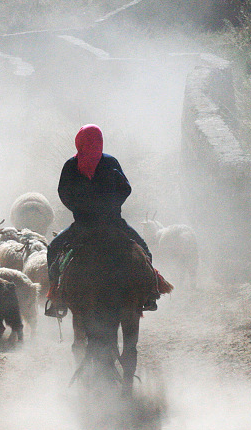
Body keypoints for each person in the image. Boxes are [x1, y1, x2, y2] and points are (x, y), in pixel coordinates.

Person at [44, 124, 171, 317]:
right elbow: (126, 188)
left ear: (79, 142)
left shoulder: (71, 165)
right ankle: (150, 294)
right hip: (113, 223)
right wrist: (110, 206)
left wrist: (80, 209)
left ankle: (57, 297)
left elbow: (63, 193)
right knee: (144, 250)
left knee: (53, 249)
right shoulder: (110, 162)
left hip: (82, 225)